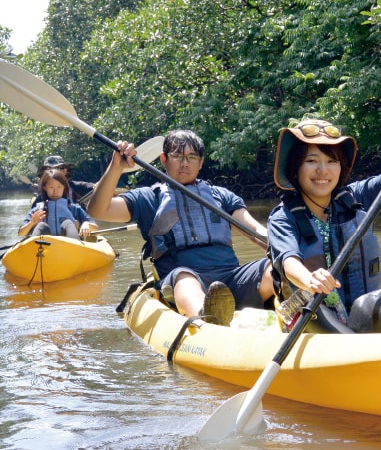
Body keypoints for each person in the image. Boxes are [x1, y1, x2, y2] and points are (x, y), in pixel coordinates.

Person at [267, 86, 381, 333]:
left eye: (332, 161)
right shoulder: (283, 217)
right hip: (315, 317)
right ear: (295, 169)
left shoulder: (358, 199)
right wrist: (309, 278)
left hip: (365, 312)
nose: (323, 171)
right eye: (312, 161)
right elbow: (288, 261)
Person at [87, 129, 274, 325]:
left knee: (273, 268)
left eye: (192, 157)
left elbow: (256, 233)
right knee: (184, 277)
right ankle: (208, 319)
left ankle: (295, 309)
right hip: (182, 279)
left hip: (231, 278)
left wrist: (286, 255)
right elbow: (99, 210)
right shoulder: (148, 198)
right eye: (177, 156)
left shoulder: (221, 196)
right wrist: (116, 167)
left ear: (201, 162)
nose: (185, 163)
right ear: (164, 159)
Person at [19, 170, 98, 239]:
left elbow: (95, 228)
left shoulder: (74, 208)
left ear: (64, 188)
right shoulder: (37, 210)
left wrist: (86, 224)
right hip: (43, 248)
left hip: (70, 246)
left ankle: (75, 248)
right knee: (41, 225)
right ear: (45, 188)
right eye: (51, 187)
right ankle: (33, 249)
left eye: (59, 187)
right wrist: (32, 223)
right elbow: (21, 233)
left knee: (68, 223)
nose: (55, 191)